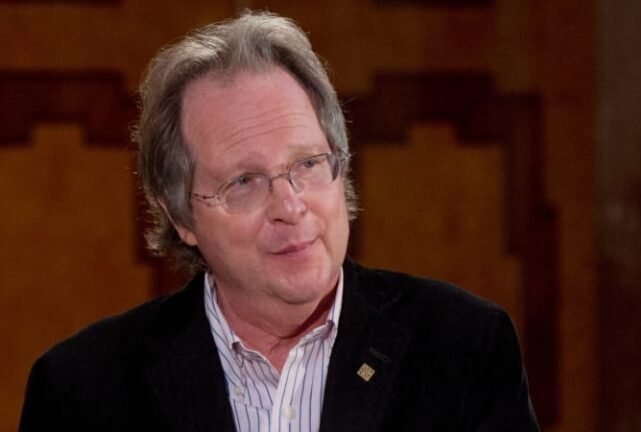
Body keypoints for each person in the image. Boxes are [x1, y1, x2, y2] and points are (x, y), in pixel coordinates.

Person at [19, 10, 539, 432]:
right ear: (181, 216)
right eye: (244, 181)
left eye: (307, 164)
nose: (290, 207)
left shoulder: (463, 347)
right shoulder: (83, 392)